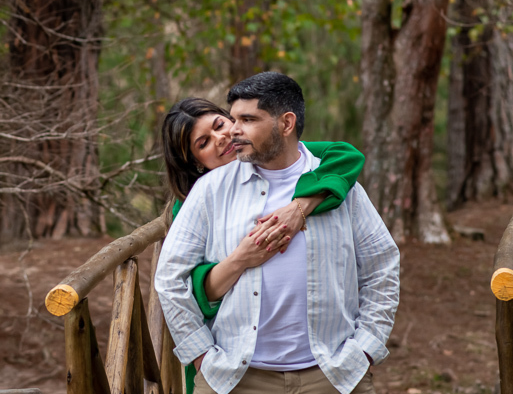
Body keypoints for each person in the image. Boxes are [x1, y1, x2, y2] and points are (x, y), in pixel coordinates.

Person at [156, 72, 400, 394]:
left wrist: (365, 348)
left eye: (242, 120)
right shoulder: (208, 191)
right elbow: (170, 279)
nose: (231, 133)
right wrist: (200, 354)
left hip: (332, 374)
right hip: (235, 376)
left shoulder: (335, 182)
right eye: (204, 142)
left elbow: (382, 265)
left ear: (286, 124)